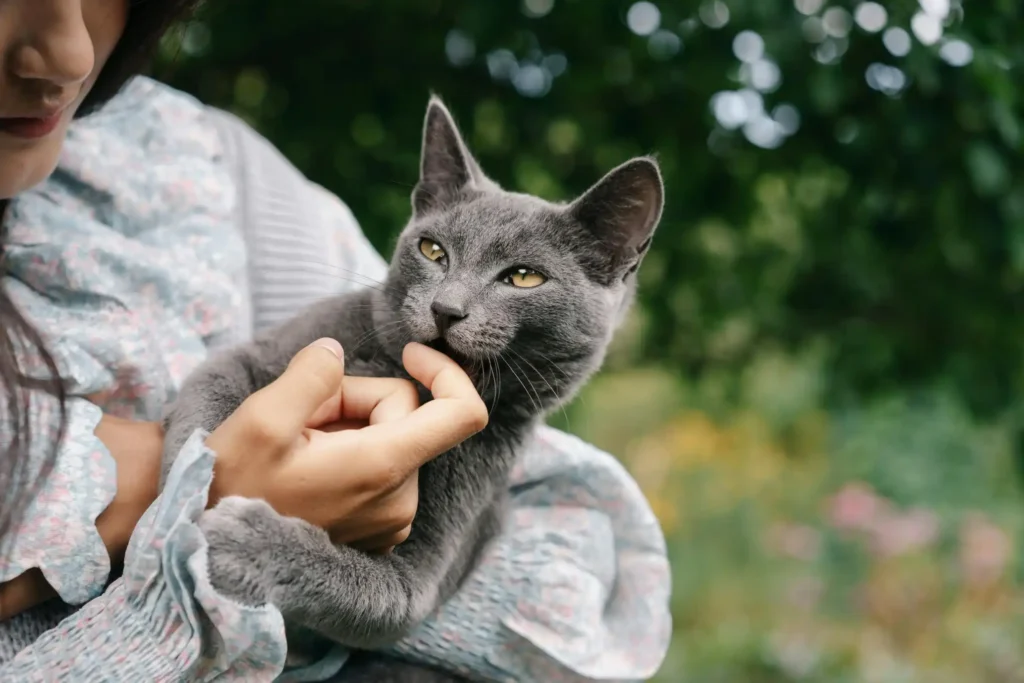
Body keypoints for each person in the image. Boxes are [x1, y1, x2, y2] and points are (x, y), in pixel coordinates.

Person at [0, 1, 671, 681]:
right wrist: (193, 492)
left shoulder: (215, 170)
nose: (449, 300)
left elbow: (538, 573)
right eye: (436, 250)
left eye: (520, 276)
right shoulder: (345, 319)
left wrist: (291, 557)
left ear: (610, 263)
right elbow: (233, 375)